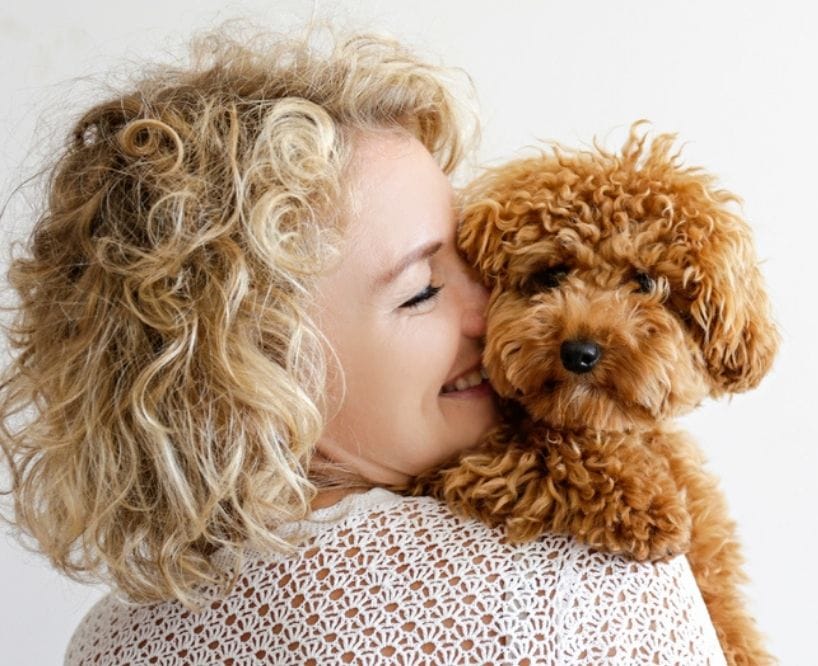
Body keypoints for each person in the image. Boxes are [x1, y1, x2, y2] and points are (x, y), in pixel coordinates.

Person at [0, 20, 728, 664]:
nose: (493, 309)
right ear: (252, 373)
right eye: (422, 291)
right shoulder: (582, 584)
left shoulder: (106, 643)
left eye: (476, 260)